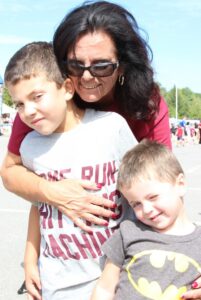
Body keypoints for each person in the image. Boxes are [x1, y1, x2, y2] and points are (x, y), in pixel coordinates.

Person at [1, 1, 171, 233]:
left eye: (101, 66)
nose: (88, 76)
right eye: (76, 65)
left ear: (122, 66)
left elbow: (163, 184)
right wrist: (52, 192)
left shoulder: (147, 104)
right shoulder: (45, 104)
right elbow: (10, 171)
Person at [4, 41, 137, 300]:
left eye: (37, 97)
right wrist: (30, 259)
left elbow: (143, 188)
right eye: (18, 104)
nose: (27, 111)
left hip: (114, 277)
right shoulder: (30, 146)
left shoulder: (111, 128)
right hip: (57, 282)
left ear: (66, 88)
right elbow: (38, 205)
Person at [91, 140, 201, 300]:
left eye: (153, 197)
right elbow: (105, 288)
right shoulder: (128, 233)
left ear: (180, 184)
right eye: (136, 204)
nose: (147, 209)